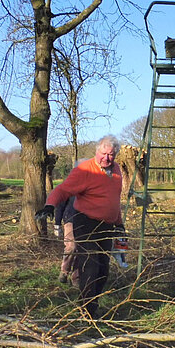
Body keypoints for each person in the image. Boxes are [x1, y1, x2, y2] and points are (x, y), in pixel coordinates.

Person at [35, 136, 124, 318]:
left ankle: (92, 304)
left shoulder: (116, 170)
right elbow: (63, 189)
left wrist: (119, 224)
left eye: (111, 155)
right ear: (96, 152)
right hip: (86, 222)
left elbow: (114, 200)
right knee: (90, 266)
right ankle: (87, 311)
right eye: (103, 154)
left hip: (106, 226)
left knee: (103, 270)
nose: (106, 158)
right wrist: (50, 205)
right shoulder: (85, 170)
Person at [54, 196, 78, 286]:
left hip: (85, 221)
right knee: (71, 247)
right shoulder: (70, 185)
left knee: (81, 249)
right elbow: (60, 205)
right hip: (70, 220)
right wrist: (57, 223)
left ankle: (76, 277)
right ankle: (64, 271)